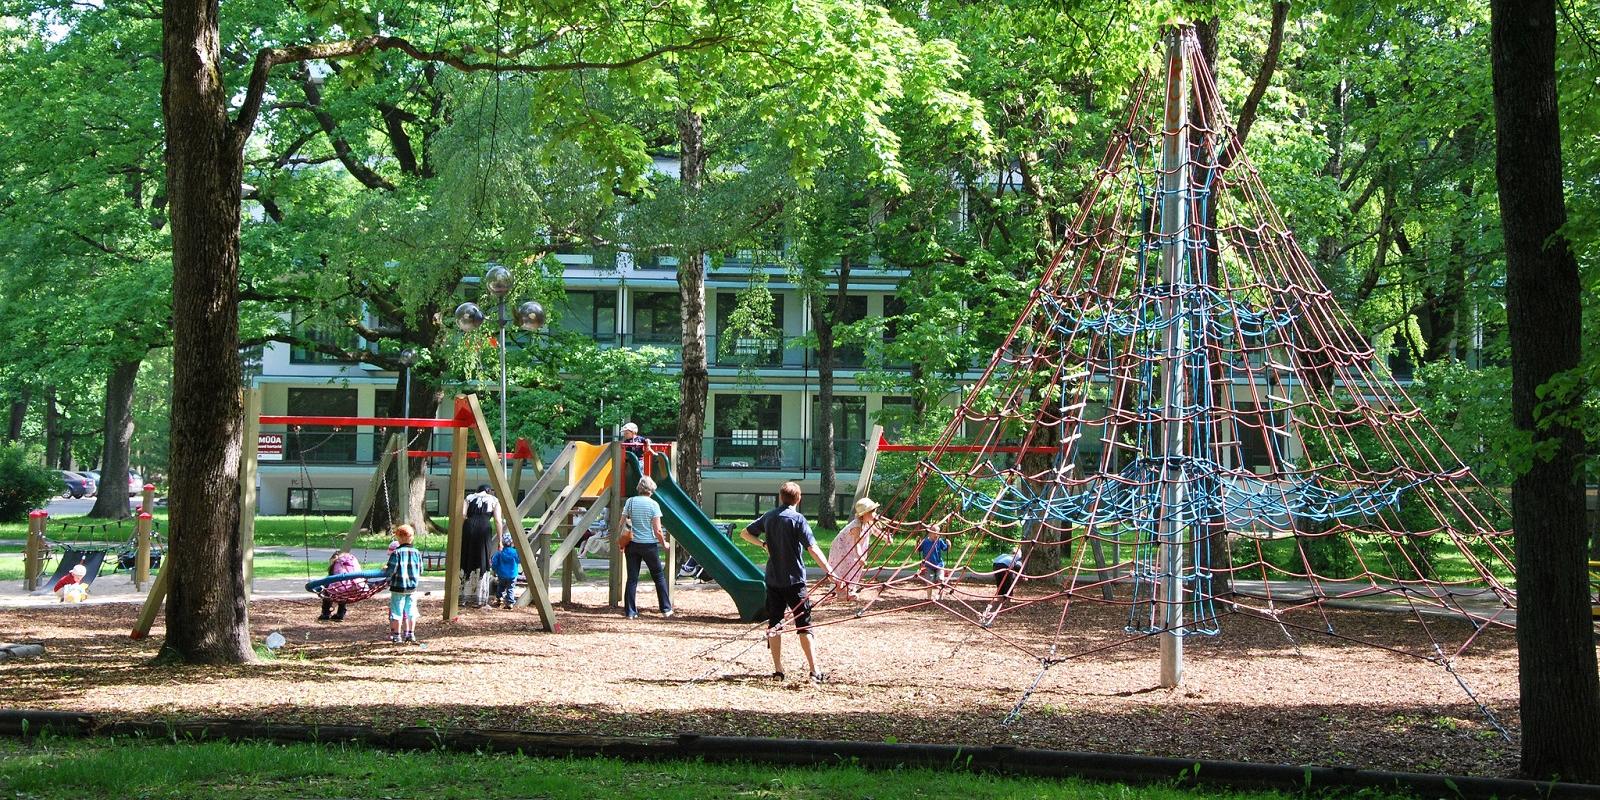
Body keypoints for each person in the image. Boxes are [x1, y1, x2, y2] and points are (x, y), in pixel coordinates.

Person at [740, 481, 834, 683]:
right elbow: (813, 548)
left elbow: (745, 533)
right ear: (798, 499)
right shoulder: (798, 519)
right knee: (804, 625)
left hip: (773, 580)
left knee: (775, 625)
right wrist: (830, 571)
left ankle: (778, 670)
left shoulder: (769, 516)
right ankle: (814, 670)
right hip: (795, 581)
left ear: (780, 497)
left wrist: (763, 543)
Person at [621, 476, 673, 619]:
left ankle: (630, 612)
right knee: (658, 576)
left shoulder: (630, 502)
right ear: (651, 490)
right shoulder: (653, 505)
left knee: (632, 578)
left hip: (632, 545)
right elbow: (657, 530)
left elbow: (622, 523)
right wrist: (664, 543)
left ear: (639, 488)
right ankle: (666, 609)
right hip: (649, 545)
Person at [826, 497, 889, 601]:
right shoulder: (856, 525)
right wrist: (860, 556)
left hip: (851, 548)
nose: (874, 513)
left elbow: (876, 531)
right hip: (842, 548)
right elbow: (857, 543)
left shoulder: (868, 522)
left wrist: (885, 538)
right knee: (842, 568)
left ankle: (848, 590)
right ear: (864, 514)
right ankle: (840, 592)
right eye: (872, 511)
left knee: (854, 567)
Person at [460, 484, 500, 608]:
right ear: (488, 491)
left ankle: (463, 595)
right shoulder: (494, 500)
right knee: (483, 559)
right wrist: (500, 540)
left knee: (466, 557)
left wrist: (463, 529)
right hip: (484, 528)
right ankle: (480, 597)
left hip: (468, 526)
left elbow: (462, 515)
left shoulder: (469, 498)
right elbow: (498, 520)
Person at [384, 524, 423, 644]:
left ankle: (397, 635)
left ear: (398, 538)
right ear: (412, 538)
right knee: (411, 611)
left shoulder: (397, 553)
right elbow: (421, 569)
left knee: (397, 611)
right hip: (412, 587)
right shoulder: (417, 553)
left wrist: (386, 573)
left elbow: (392, 570)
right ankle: (410, 634)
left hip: (398, 587)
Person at [318, 551, 362, 621]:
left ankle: (325, 613)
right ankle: (340, 613)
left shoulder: (336, 564)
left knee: (327, 588)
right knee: (344, 590)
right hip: (355, 588)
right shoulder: (352, 564)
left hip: (339, 589)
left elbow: (330, 578)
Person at [917, 524, 951, 600]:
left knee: (941, 579)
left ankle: (940, 597)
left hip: (939, 565)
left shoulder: (939, 541)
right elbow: (918, 550)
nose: (937, 535)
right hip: (929, 565)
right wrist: (917, 543)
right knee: (929, 581)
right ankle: (929, 598)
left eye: (938, 533)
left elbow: (946, 549)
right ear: (930, 533)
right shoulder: (925, 542)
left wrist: (949, 545)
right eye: (935, 533)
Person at [490, 534, 521, 609]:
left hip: (502, 574)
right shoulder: (515, 552)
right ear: (512, 542)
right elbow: (519, 560)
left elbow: (494, 563)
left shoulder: (499, 553)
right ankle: (510, 603)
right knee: (511, 588)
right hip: (512, 574)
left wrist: (495, 570)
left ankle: (499, 599)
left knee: (501, 586)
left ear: (503, 543)